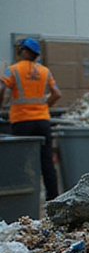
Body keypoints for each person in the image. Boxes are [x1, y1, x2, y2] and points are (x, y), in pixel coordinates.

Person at [1, 38, 62, 199]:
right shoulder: (44, 71)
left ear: (24, 51)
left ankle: (23, 196)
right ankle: (53, 198)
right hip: (42, 120)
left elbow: (1, 89)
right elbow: (56, 93)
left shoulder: (12, 70)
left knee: (21, 160)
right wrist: (43, 106)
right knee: (47, 161)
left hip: (21, 121)